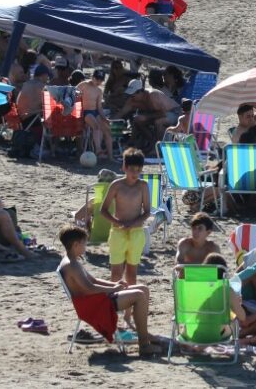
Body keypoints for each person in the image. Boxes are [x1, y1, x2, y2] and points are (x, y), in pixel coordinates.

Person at [57, 224, 161, 356]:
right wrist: (112, 289)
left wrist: (114, 285)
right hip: (94, 305)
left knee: (143, 289)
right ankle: (144, 344)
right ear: (76, 244)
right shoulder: (72, 265)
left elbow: (93, 281)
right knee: (139, 295)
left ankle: (144, 334)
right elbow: (90, 289)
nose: (85, 247)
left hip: (95, 299)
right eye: (84, 243)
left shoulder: (71, 261)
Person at [100, 149, 151, 286]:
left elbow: (147, 212)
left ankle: (129, 307)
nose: (135, 173)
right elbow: (103, 210)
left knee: (131, 274)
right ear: (124, 167)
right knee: (116, 273)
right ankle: (116, 304)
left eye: (138, 170)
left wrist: (134, 223)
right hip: (118, 232)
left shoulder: (143, 186)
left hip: (136, 233)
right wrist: (117, 222)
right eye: (132, 169)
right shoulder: (116, 185)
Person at [119, 78, 180, 150]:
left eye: (133, 95)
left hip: (174, 112)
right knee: (137, 120)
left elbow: (163, 113)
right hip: (161, 114)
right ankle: (151, 142)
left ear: (140, 92)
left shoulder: (153, 95)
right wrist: (108, 121)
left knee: (159, 122)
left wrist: (146, 117)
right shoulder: (134, 100)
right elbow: (121, 112)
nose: (131, 97)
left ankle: (159, 148)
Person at [78, 69, 115, 159]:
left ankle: (110, 157)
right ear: (92, 77)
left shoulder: (99, 90)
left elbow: (99, 107)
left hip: (95, 112)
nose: (99, 82)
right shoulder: (83, 85)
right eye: (97, 79)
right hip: (85, 112)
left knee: (107, 130)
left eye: (101, 80)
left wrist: (104, 118)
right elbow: (73, 95)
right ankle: (98, 150)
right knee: (96, 126)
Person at [202, 252, 247, 325]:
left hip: (191, 333)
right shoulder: (227, 290)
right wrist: (236, 302)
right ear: (224, 273)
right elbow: (242, 317)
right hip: (216, 334)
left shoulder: (197, 288)